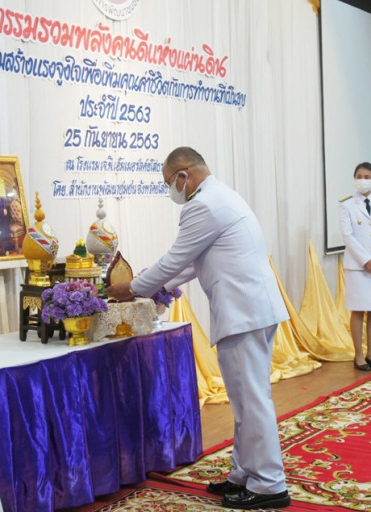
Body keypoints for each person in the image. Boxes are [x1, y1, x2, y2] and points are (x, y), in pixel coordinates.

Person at [105, 147, 291, 510]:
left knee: (251, 401)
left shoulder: (202, 205)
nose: (170, 190)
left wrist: (133, 287)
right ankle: (244, 474)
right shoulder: (221, 195)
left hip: (244, 312)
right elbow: (192, 262)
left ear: (184, 175)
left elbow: (176, 258)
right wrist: (152, 284)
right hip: (252, 309)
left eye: (168, 183)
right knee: (245, 401)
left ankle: (269, 484)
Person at [339, 162, 371, 371]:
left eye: (367, 177)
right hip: (357, 266)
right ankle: (359, 355)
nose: (363, 180)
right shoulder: (346, 205)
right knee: (358, 310)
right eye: (359, 176)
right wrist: (365, 260)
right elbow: (348, 236)